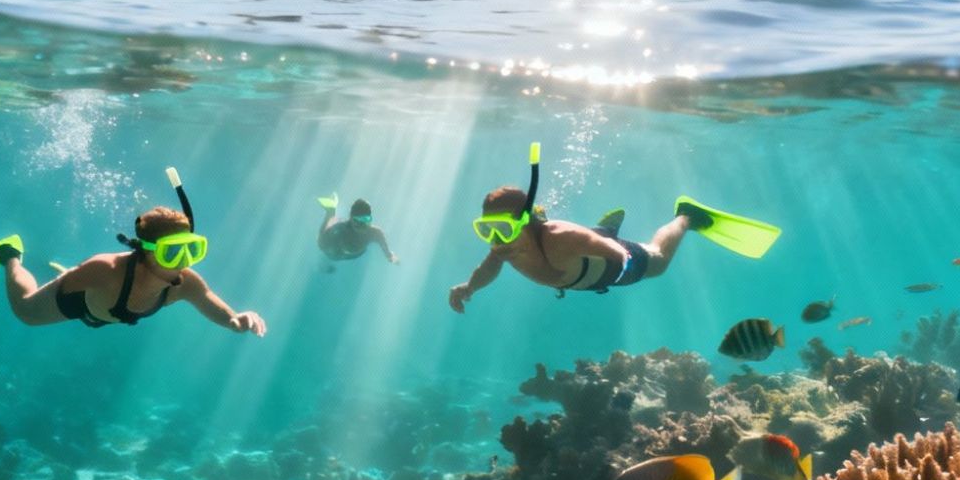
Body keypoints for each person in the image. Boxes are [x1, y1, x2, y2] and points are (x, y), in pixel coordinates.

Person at [447, 143, 779, 313]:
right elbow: (489, 267)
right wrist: (469, 287)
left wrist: (624, 263)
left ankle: (685, 217)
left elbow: (614, 253)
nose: (495, 240)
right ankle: (604, 229)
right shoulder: (504, 245)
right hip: (582, 268)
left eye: (502, 229)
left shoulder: (562, 238)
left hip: (611, 264)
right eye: (486, 229)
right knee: (596, 239)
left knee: (659, 261)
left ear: (524, 221)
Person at [0, 168, 267, 335]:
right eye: (173, 254)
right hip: (84, 302)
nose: (182, 263)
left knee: (76, 282)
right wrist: (66, 281)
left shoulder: (186, 284)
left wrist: (236, 320)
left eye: (192, 250)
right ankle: (10, 255)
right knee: (27, 313)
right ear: (145, 251)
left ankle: (63, 274)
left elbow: (216, 308)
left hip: (107, 309)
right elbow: (62, 290)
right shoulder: (104, 269)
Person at [316, 194, 398, 270]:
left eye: (365, 219)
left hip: (352, 254)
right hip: (335, 254)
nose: (361, 224)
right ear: (350, 218)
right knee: (325, 237)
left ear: (370, 219)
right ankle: (331, 211)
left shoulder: (375, 233)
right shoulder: (341, 229)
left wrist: (391, 257)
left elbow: (387, 252)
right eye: (357, 220)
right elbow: (322, 240)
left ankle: (331, 211)